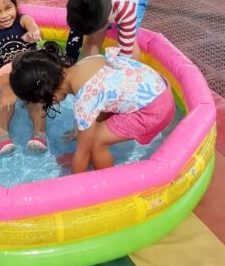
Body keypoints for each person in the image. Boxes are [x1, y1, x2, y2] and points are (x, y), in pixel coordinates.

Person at [9, 42, 175, 174]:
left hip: (153, 112)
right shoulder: (85, 63)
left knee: (95, 142)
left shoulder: (84, 99)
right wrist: (83, 133)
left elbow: (83, 152)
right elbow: (105, 97)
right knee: (90, 134)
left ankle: (105, 184)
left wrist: (77, 180)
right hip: (159, 90)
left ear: (48, 94)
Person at [0, 0, 47, 155]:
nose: (4, 15)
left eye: (8, 8)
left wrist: (33, 33)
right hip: (6, 69)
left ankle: (39, 133)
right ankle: (2, 134)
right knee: (6, 91)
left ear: (16, 6)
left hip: (29, 64)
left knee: (36, 94)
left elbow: (34, 29)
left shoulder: (23, 20)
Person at [65, 0, 150, 63]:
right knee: (93, 37)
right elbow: (74, 39)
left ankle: (136, 72)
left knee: (130, 42)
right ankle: (90, 67)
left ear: (109, 21)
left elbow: (126, 55)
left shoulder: (126, 10)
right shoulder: (82, 1)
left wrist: (122, 73)